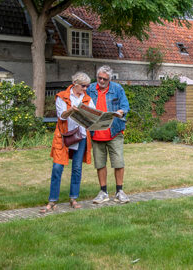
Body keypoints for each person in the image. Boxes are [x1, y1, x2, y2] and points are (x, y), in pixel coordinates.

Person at [40, 72, 95, 212]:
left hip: (81, 136)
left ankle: (73, 198)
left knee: (77, 168)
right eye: (83, 86)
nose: (85, 89)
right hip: (64, 137)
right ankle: (52, 201)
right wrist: (70, 110)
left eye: (87, 86)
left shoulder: (87, 98)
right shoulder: (62, 96)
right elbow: (61, 117)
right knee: (57, 168)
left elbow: (93, 115)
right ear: (75, 84)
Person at [87, 65, 130, 204]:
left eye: (105, 79)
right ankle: (103, 192)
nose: (101, 81)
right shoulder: (90, 89)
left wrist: (120, 112)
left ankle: (119, 191)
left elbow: (125, 106)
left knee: (118, 162)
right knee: (100, 163)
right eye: (99, 78)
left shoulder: (117, 89)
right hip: (96, 132)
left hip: (114, 132)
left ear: (109, 79)